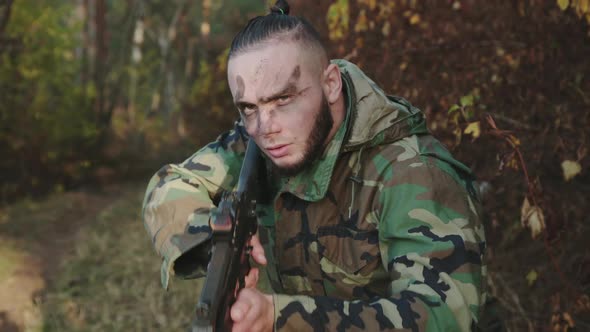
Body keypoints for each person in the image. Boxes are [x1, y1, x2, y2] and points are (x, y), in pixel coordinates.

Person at [142, 1, 488, 331]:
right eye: (248, 108)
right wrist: (217, 245)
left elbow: (442, 318)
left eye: (283, 99)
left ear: (331, 84)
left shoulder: (413, 172)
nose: (265, 128)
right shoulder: (259, 142)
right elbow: (168, 186)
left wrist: (279, 319)